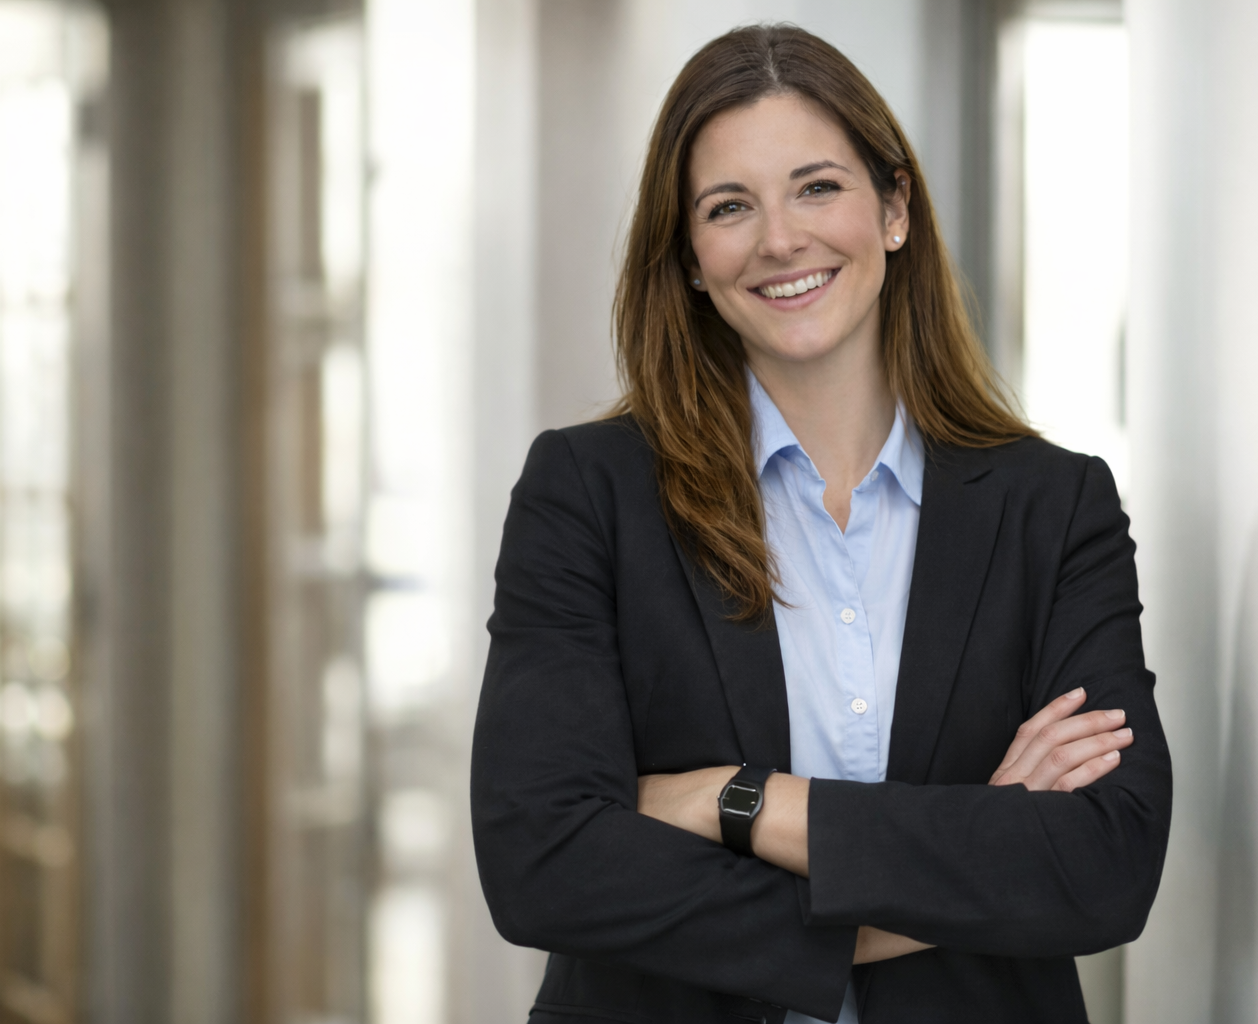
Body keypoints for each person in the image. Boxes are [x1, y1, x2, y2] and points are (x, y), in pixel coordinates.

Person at [471, 24, 1170, 1024]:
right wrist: (972, 856)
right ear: (692, 262)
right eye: (729, 207)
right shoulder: (588, 495)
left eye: (818, 187)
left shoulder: (1052, 508)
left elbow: (1106, 864)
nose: (780, 239)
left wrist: (733, 802)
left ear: (894, 209)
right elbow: (542, 862)